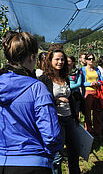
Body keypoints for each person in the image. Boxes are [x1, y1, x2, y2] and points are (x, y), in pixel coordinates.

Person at [0, 31, 62, 174]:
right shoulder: (37, 88)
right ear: (32, 57)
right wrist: (47, 155)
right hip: (32, 162)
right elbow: (52, 136)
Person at [39, 49, 80, 174]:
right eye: (57, 59)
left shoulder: (64, 77)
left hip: (69, 118)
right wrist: (56, 100)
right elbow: (41, 100)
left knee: (74, 150)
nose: (60, 62)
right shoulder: (44, 79)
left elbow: (70, 98)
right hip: (55, 120)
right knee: (57, 155)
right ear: (50, 61)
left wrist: (75, 115)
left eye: (62, 59)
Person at [81, 53, 103, 136]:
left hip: (97, 92)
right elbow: (81, 83)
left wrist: (98, 83)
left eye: (92, 58)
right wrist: (90, 83)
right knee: (88, 113)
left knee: (97, 112)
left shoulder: (97, 69)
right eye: (89, 59)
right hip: (88, 92)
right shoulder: (83, 70)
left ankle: (98, 130)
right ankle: (89, 131)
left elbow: (101, 81)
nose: (91, 60)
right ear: (86, 60)